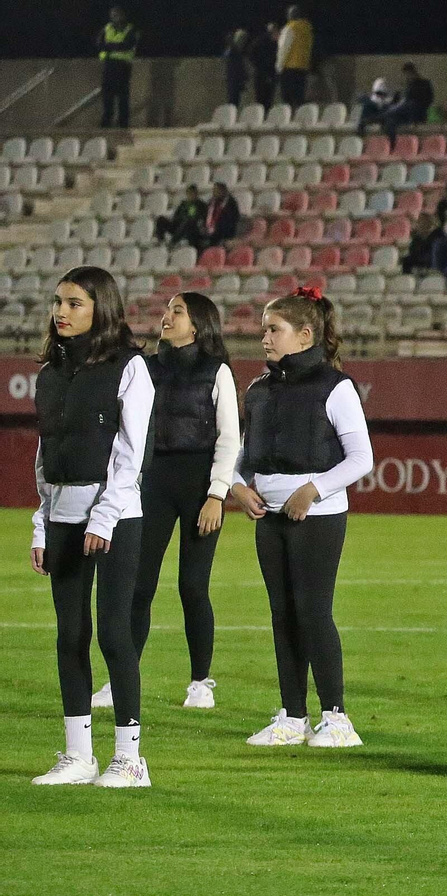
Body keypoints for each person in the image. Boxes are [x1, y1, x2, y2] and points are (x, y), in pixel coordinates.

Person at [29, 267, 155, 788]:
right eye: (59, 302)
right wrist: (42, 521)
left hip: (116, 517)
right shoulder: (50, 373)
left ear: (101, 308)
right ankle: (78, 755)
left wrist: (103, 516)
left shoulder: (130, 368)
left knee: (113, 634)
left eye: (75, 303)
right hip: (62, 516)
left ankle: (130, 758)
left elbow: (131, 453)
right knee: (69, 635)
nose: (62, 312)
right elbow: (47, 450)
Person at [231, 288, 374, 749]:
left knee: (313, 612)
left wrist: (312, 491)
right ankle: (292, 716)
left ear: (305, 335)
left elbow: (361, 458)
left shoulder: (336, 386)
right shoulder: (258, 389)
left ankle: (337, 718)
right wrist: (236, 487)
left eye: (274, 330)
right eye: (264, 330)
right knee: (282, 614)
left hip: (318, 515)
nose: (265, 339)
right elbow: (240, 455)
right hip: (269, 516)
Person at [117, 294, 239, 712]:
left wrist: (216, 494)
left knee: (192, 585)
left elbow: (229, 437)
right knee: (139, 586)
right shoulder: (145, 368)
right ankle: (122, 679)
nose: (166, 316)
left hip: (199, 486)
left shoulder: (216, 370)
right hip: (151, 483)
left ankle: (201, 682)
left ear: (199, 324)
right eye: (167, 309)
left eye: (178, 311)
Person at [96, 6, 139, 129]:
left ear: (123, 15)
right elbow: (100, 44)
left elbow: (128, 45)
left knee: (122, 96)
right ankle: (106, 122)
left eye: (117, 15)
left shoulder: (130, 29)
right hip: (108, 65)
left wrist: (110, 46)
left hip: (123, 66)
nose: (115, 17)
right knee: (107, 95)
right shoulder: (107, 28)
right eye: (113, 15)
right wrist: (115, 46)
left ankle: (123, 123)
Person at [276, 6, 313, 109]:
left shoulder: (290, 28)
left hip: (289, 67)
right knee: (299, 98)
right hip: (303, 67)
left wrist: (279, 67)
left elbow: (284, 48)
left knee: (287, 98)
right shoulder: (307, 29)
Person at [249, 21, 279, 108]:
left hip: (262, 74)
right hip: (266, 74)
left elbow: (251, 56)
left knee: (261, 100)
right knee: (266, 100)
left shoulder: (258, 41)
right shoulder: (271, 44)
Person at [201, 182, 240, 246]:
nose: (213, 193)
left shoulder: (231, 203)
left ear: (223, 191)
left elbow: (233, 220)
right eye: (213, 190)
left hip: (224, 231)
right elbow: (205, 215)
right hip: (210, 230)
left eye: (216, 190)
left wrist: (215, 227)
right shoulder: (211, 202)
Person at [223, 29, 250, 109]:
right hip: (233, 80)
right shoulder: (233, 51)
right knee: (233, 102)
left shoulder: (236, 51)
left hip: (235, 81)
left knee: (235, 101)